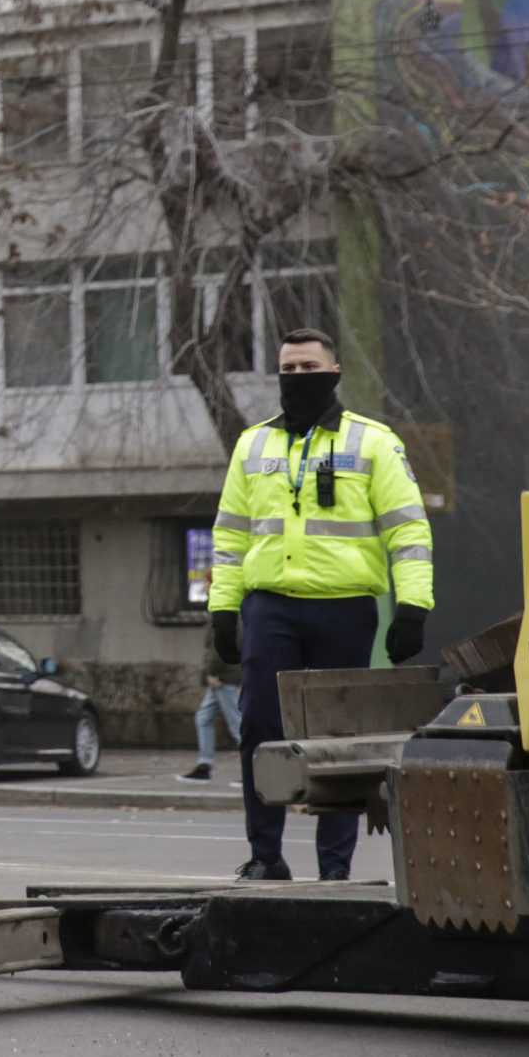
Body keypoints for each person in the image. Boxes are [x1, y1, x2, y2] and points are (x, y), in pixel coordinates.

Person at [208, 327, 435, 881]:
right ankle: (266, 858)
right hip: (271, 608)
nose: (298, 377)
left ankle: (335, 870)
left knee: (338, 741)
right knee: (260, 732)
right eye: (289, 368)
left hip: (345, 608)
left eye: (309, 367)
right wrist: (222, 610)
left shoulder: (374, 441)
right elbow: (230, 536)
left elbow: (407, 531)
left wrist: (413, 607)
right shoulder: (253, 444)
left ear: (334, 373)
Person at [178, 614, 243, 783]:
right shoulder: (231, 616)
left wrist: (213, 672)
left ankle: (253, 769)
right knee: (204, 717)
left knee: (237, 725)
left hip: (223, 678)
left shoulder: (222, 614)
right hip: (224, 677)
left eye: (206, 585)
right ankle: (204, 766)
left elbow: (217, 647)